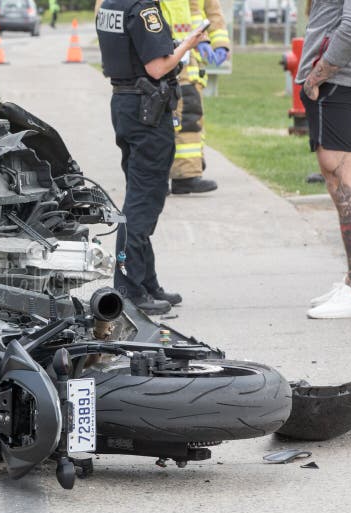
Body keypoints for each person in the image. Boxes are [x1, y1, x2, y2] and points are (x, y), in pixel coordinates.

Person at [96, 0, 205, 314]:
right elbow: (157, 67)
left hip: (126, 105)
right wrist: (187, 44)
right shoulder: (143, 9)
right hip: (147, 112)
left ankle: (146, 282)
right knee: (142, 203)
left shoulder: (110, 5)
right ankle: (129, 289)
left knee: (140, 194)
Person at [298, 0, 351, 319]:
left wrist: (317, 76)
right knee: (336, 178)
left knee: (344, 179)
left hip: (338, 82)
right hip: (337, 81)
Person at [160, 0, 229, 194]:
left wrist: (218, 43)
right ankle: (159, 179)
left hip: (187, 60)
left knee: (189, 118)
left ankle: (186, 175)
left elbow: (207, 13)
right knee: (161, 120)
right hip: (161, 58)